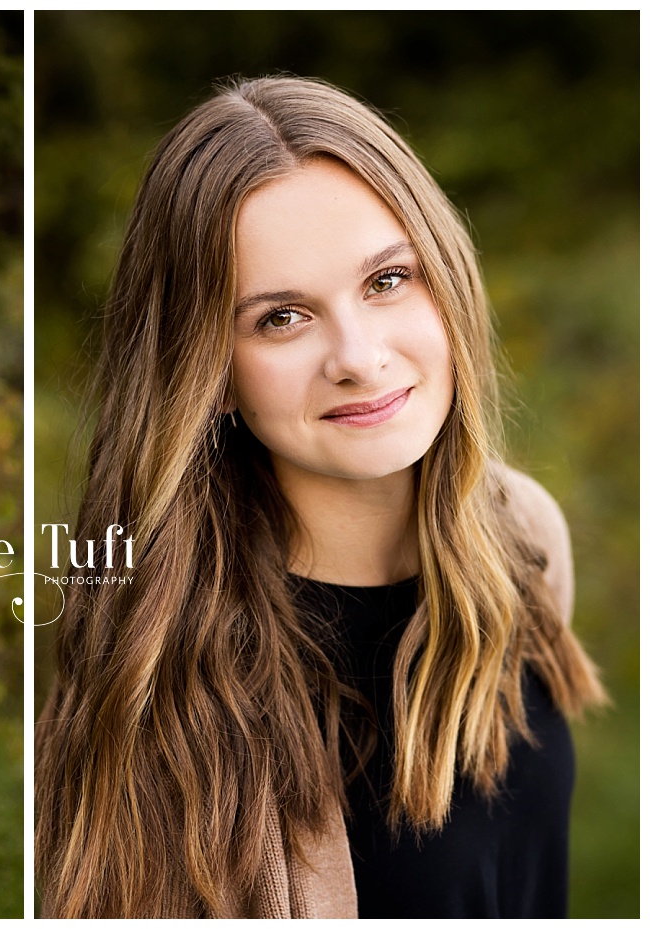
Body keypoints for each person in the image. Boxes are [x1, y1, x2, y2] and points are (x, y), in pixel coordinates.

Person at [35, 77, 606, 918]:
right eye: (281, 318)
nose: (359, 357)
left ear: (444, 279)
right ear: (210, 375)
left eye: (387, 280)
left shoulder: (522, 536)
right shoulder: (160, 669)